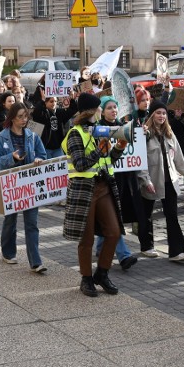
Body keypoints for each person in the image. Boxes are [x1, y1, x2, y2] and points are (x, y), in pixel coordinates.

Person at [63, 92, 128, 297]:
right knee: (87, 238)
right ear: (91, 111)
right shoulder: (75, 133)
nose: (102, 110)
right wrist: (100, 150)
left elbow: (108, 160)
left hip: (103, 186)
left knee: (114, 232)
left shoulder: (100, 130)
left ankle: (102, 272)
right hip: (84, 189)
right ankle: (86, 278)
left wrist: (118, 148)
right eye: (99, 107)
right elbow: (81, 164)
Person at [0, 102, 48, 273]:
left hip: (29, 185)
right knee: (10, 220)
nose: (24, 120)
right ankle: (8, 252)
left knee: (32, 223)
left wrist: (38, 159)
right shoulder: (2, 137)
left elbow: (42, 154)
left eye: (26, 116)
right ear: (12, 118)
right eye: (20, 117)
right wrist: (11, 157)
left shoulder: (32, 136)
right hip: (11, 186)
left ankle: (35, 262)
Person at [141, 100, 184, 262]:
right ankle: (147, 245)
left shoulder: (169, 134)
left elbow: (178, 156)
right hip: (151, 180)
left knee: (172, 215)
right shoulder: (144, 135)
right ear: (151, 115)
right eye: (158, 113)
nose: (161, 116)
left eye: (164, 113)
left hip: (169, 180)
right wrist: (145, 180)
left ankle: (176, 251)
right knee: (146, 215)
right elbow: (140, 161)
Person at [93, 95, 141, 270]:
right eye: (109, 108)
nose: (113, 110)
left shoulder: (124, 127)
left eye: (115, 107)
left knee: (111, 216)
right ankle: (124, 255)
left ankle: (100, 247)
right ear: (102, 111)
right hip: (105, 178)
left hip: (122, 178)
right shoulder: (98, 129)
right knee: (112, 217)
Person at [31, 93, 78, 158]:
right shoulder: (43, 113)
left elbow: (72, 110)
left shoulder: (59, 112)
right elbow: (36, 114)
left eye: (55, 101)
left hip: (58, 148)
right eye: (51, 101)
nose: (54, 103)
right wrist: (42, 101)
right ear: (46, 102)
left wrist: (72, 99)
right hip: (45, 148)